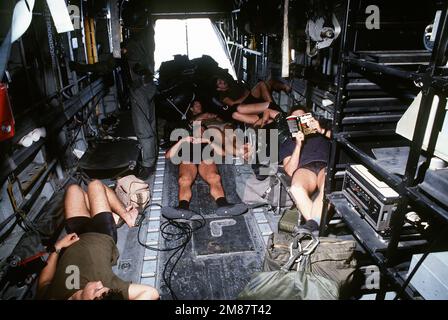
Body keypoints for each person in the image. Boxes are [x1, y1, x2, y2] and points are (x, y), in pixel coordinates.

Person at [36, 180, 159, 300]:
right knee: (95, 184)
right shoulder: (110, 289)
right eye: (103, 287)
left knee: (73, 189)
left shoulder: (54, 296)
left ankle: (98, 210)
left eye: (97, 290)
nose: (100, 284)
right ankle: (126, 216)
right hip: (103, 233)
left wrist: (57, 248)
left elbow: (44, 283)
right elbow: (151, 293)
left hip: (75, 235)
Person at [162, 125, 249, 219]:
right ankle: (182, 208)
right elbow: (168, 155)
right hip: (188, 159)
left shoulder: (209, 141)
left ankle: (223, 205)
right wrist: (182, 141)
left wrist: (208, 141)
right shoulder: (184, 141)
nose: (199, 131)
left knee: (214, 177)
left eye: (202, 130)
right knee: (184, 179)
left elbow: (223, 153)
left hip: (206, 159)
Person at [278, 106, 332, 233]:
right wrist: (298, 145)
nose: (299, 121)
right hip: (305, 169)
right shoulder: (288, 143)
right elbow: (290, 171)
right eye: (296, 119)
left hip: (325, 165)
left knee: (327, 188)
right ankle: (316, 226)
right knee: (296, 188)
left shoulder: (323, 134)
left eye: (302, 117)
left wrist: (321, 130)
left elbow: (342, 140)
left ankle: (312, 226)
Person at [122, 4, 158, 180]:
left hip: (139, 88)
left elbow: (112, 64)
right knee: (150, 124)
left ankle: (148, 165)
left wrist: (83, 67)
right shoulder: (148, 36)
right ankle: (152, 157)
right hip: (149, 85)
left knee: (143, 128)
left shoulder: (133, 43)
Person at [215, 77, 290, 128]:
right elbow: (233, 104)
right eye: (220, 83)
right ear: (218, 89)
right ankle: (275, 110)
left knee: (263, 83)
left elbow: (247, 91)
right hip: (244, 104)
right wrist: (245, 96)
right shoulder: (223, 96)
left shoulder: (234, 84)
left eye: (221, 80)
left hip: (249, 98)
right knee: (236, 113)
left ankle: (275, 104)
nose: (222, 82)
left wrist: (247, 94)